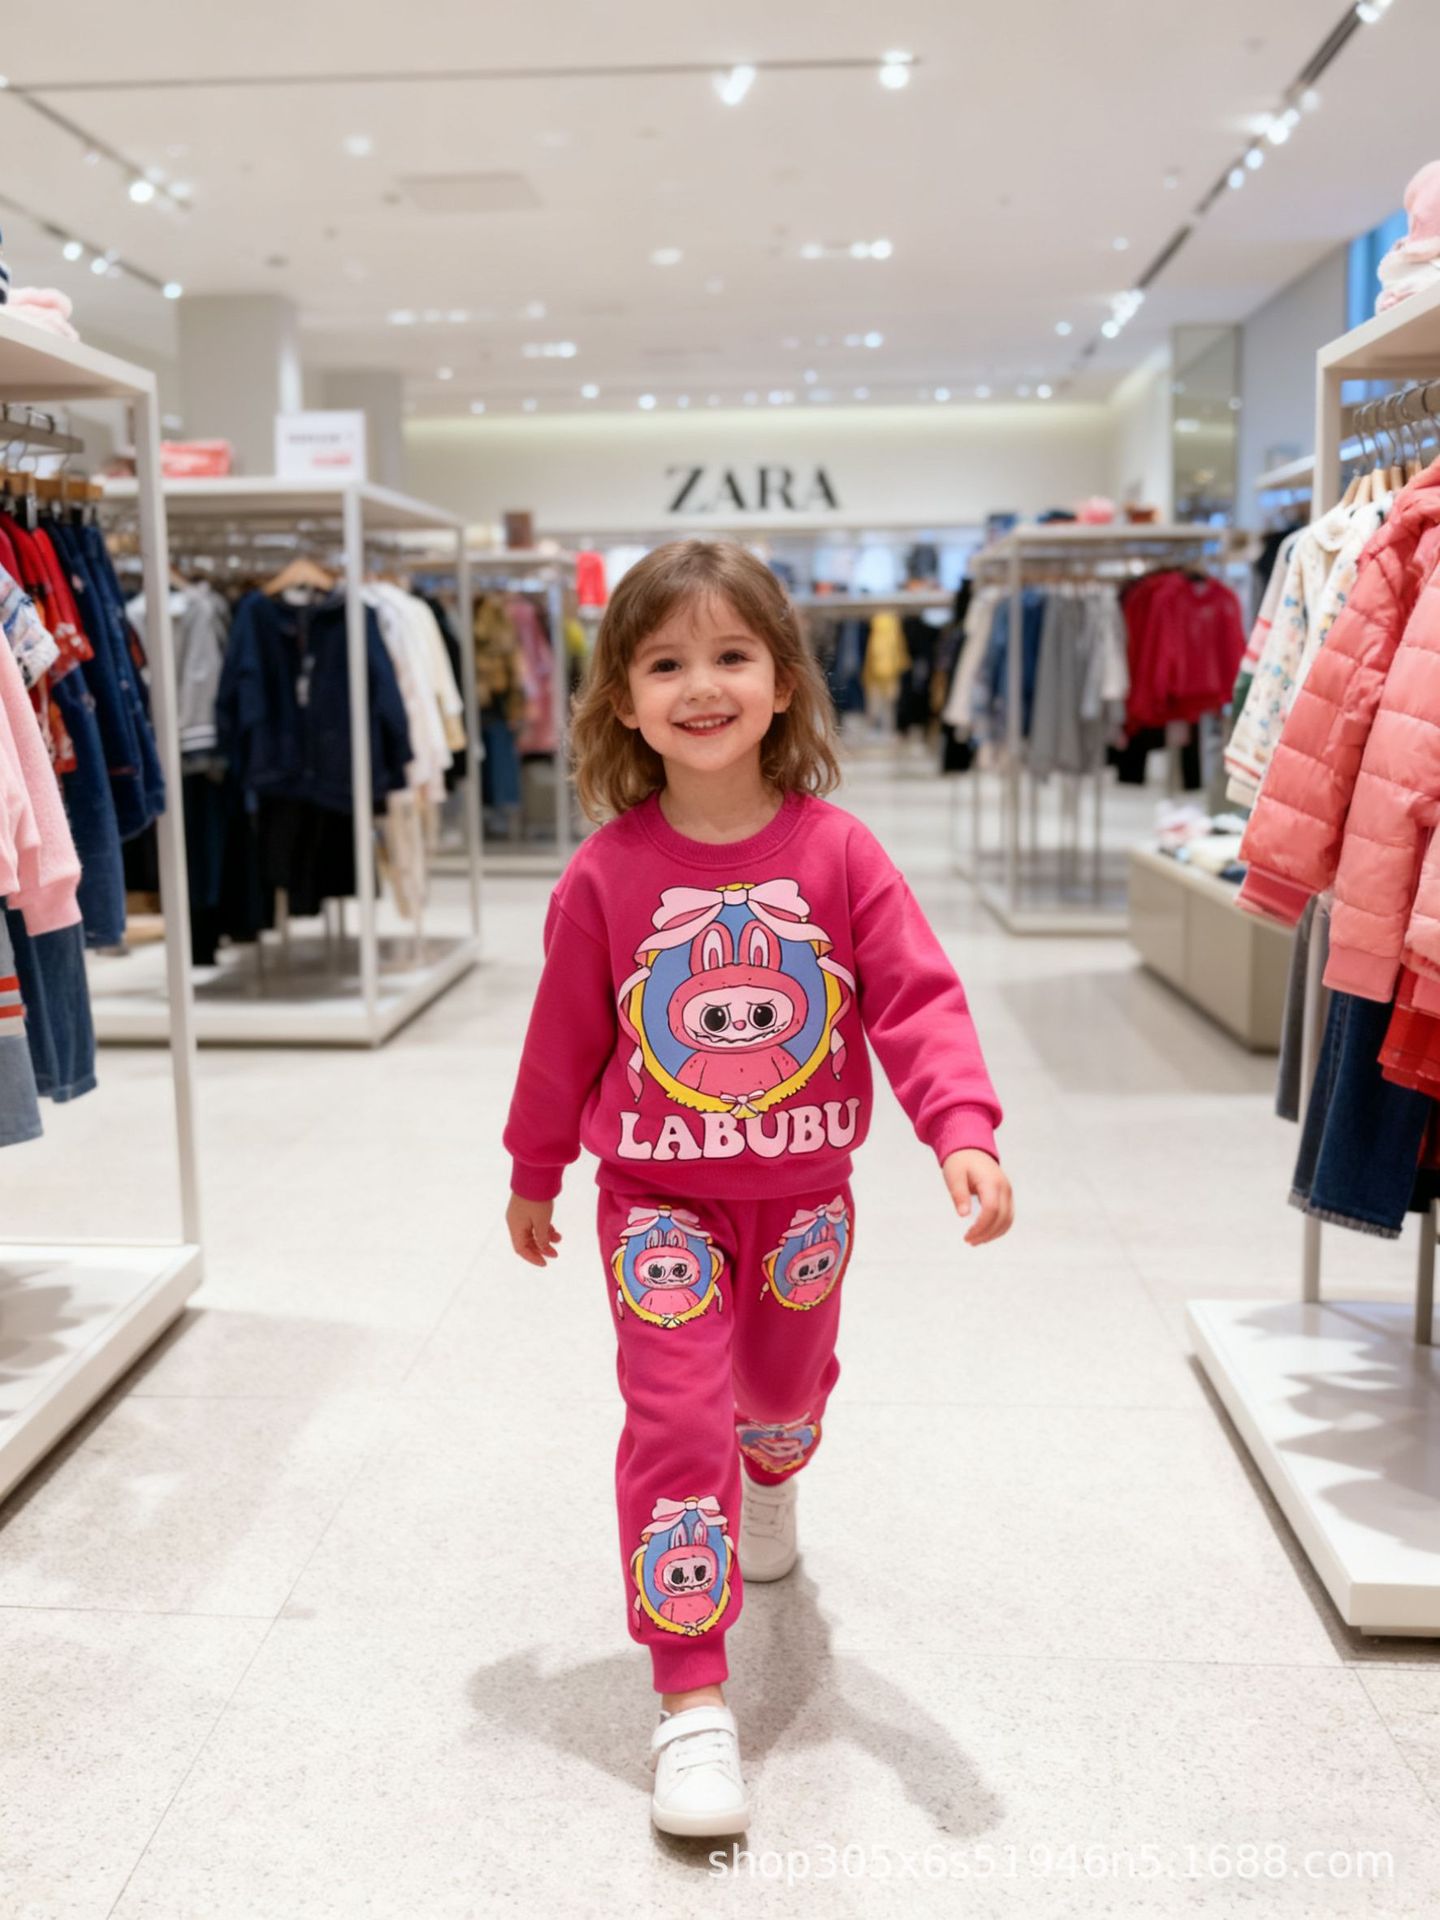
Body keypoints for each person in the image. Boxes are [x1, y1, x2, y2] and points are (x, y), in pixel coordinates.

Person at [502, 539, 1013, 1838]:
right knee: (677, 1425)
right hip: (654, 1205)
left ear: (784, 682)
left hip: (803, 1206)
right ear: (623, 700)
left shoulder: (840, 853)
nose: (701, 686)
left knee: (777, 1397)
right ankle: (690, 1699)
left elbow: (916, 1000)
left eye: (731, 655)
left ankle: (774, 1471)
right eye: (665, 663)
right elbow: (562, 1040)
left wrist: (960, 1126)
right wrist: (535, 1169)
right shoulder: (606, 873)